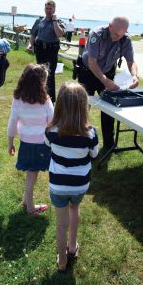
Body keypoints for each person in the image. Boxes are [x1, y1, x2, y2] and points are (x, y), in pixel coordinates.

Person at [45, 82, 99, 272]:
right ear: (84, 106)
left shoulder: (50, 131)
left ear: (59, 105)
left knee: (61, 225)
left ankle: (61, 262)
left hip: (58, 185)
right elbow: (94, 155)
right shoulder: (90, 133)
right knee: (74, 208)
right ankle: (72, 247)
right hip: (79, 185)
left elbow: (48, 146)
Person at [78, 16, 139, 149]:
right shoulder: (97, 34)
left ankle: (109, 144)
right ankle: (79, 140)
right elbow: (92, 62)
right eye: (116, 34)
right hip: (88, 72)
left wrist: (134, 75)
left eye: (122, 34)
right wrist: (105, 81)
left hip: (107, 72)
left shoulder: (125, 39)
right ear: (110, 26)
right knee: (82, 107)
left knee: (109, 108)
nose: (118, 37)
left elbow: (130, 61)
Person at [7, 63, 54, 216]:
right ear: (41, 83)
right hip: (41, 144)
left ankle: (26, 200)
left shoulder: (18, 99)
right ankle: (30, 207)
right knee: (32, 174)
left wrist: (10, 142)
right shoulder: (45, 100)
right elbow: (52, 122)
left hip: (25, 143)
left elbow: (12, 121)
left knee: (31, 172)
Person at [29, 0, 64, 103]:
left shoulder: (58, 22)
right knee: (40, 73)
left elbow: (59, 34)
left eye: (50, 9)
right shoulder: (39, 21)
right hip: (40, 50)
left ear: (54, 9)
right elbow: (33, 34)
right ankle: (40, 96)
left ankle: (51, 100)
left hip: (51, 50)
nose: (48, 11)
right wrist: (30, 44)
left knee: (50, 75)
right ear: (44, 9)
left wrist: (54, 21)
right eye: (47, 8)